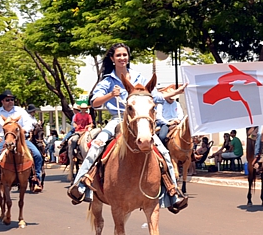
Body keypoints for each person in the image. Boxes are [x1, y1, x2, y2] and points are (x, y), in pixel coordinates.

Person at [66, 42, 188, 214]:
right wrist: (110, 95)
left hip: (139, 121)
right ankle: (80, 184)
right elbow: (93, 102)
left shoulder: (138, 77)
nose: (122, 58)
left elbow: (156, 96)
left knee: (164, 152)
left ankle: (173, 191)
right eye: (118, 55)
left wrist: (176, 92)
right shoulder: (108, 80)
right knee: (97, 145)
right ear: (112, 59)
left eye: (125, 55)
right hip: (118, 120)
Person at [0, 90, 45, 193]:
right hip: (1, 139)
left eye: (12, 99)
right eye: (7, 100)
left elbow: (29, 124)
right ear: (2, 101)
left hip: (20, 138)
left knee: (37, 155)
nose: (10, 102)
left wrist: (21, 132)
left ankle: (36, 180)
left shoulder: (20, 111)